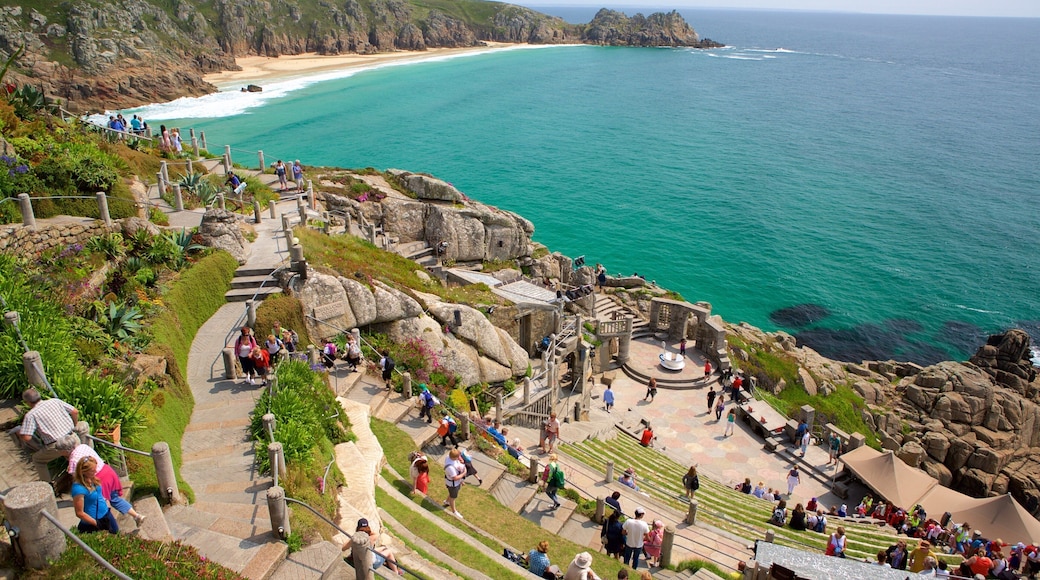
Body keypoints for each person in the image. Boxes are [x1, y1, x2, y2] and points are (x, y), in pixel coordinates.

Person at [17, 388, 81, 482]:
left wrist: (21, 434)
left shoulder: (31, 415)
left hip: (57, 446)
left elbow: (27, 437)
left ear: (28, 402)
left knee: (38, 460)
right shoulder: (55, 401)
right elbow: (75, 411)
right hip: (72, 438)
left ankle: (47, 486)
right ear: (39, 396)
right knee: (78, 460)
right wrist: (75, 425)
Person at [71, 457, 118, 534]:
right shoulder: (78, 489)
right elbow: (79, 513)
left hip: (106, 514)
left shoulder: (93, 479)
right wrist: (97, 524)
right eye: (92, 470)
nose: (95, 471)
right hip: (93, 522)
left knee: (116, 534)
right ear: (83, 472)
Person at [442, 449, 465, 518]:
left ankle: (447, 501)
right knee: (453, 497)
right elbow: (455, 478)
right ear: (455, 457)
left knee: (451, 493)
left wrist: (461, 481)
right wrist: (464, 473)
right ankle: (454, 511)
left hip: (453, 483)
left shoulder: (448, 458)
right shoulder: (450, 468)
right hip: (453, 484)